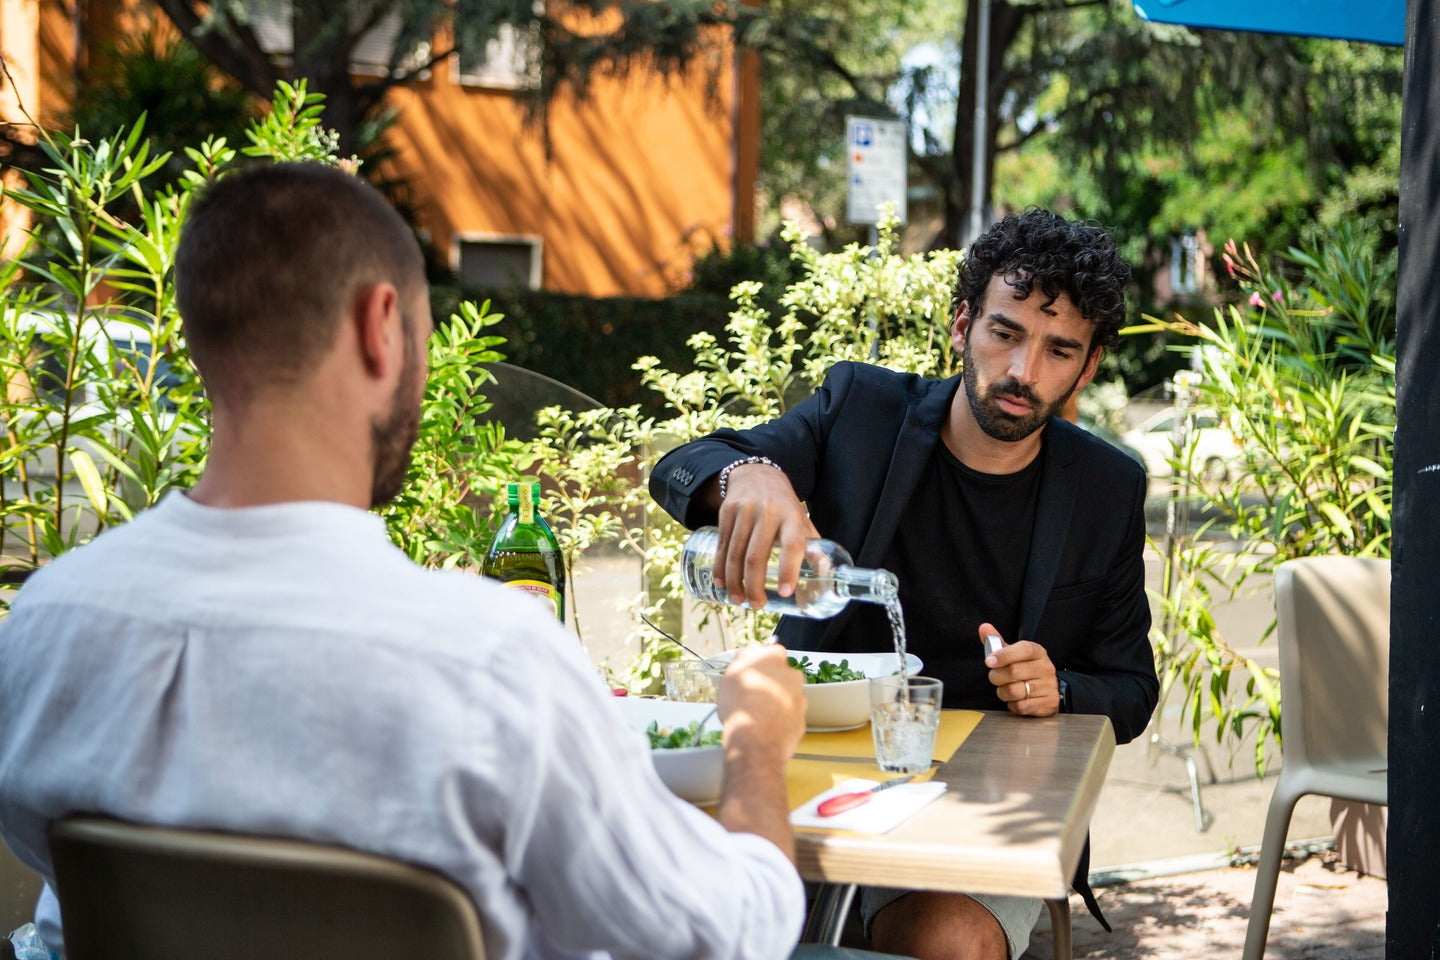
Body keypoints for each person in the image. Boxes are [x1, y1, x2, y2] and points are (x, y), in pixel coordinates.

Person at [0, 162, 813, 960]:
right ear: (379, 327)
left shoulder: (47, 623)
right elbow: (731, 935)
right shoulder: (491, 658)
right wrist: (755, 743)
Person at [650, 209, 1160, 960]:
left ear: (1087, 369)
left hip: (986, 801)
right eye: (1004, 333)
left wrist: (1061, 689)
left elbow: (1132, 687)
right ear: (961, 325)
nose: (1023, 372)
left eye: (1058, 351)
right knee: (672, 904)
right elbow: (682, 466)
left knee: (947, 941)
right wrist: (746, 473)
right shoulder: (863, 411)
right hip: (817, 762)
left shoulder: (1107, 488)